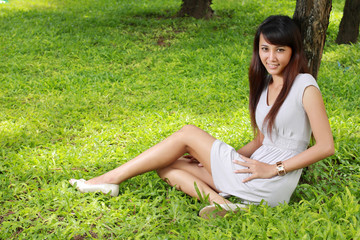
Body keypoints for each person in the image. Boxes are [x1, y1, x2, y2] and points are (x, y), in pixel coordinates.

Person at [69, 15, 334, 218]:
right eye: (265, 48)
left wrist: (272, 169)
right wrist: (213, 161)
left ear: (293, 51)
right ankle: (224, 204)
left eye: (280, 50)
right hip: (252, 171)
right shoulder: (265, 84)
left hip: (272, 180)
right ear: (258, 50)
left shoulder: (305, 85)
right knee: (168, 167)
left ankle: (108, 179)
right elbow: (260, 141)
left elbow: (326, 146)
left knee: (187, 133)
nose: (271, 57)